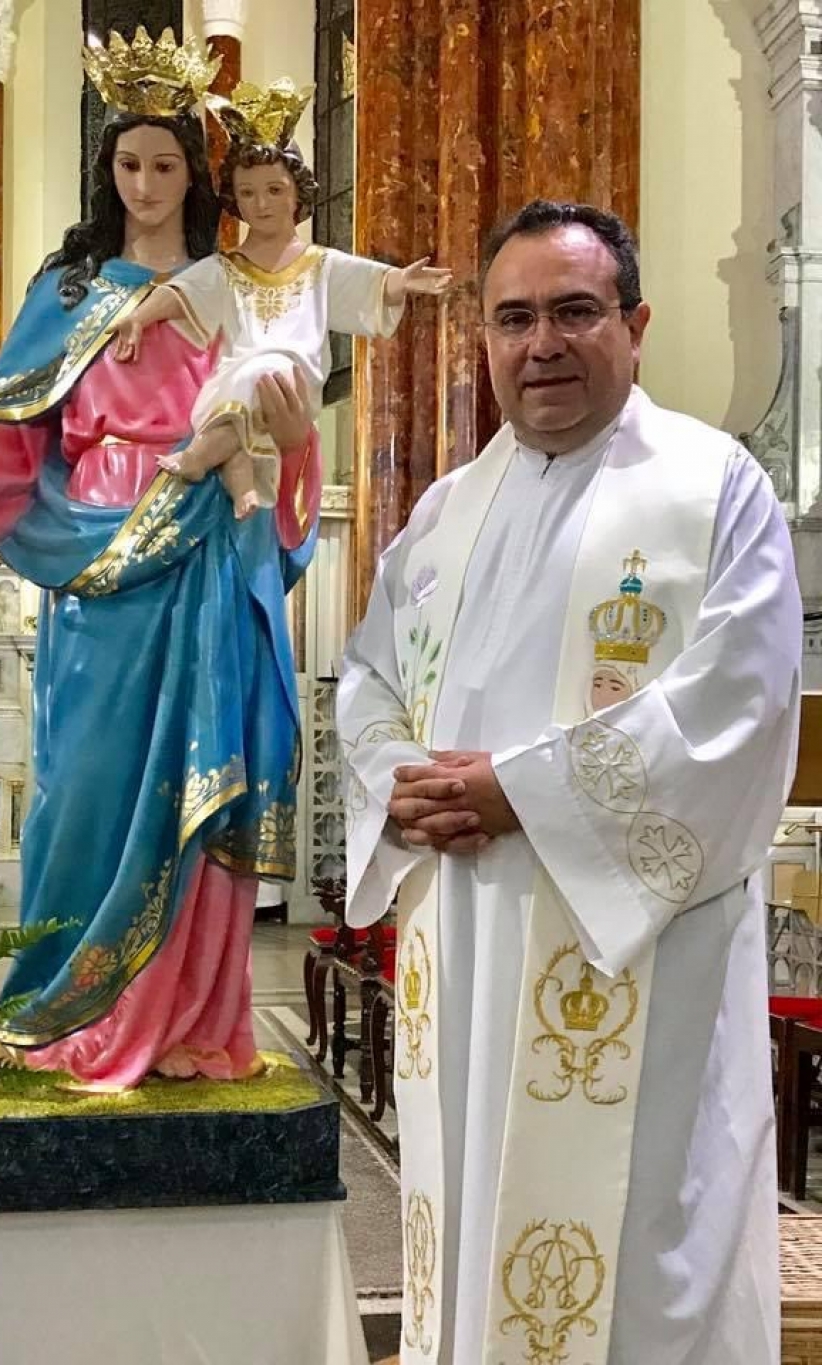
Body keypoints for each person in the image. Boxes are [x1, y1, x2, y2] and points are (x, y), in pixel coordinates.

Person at [339, 199, 801, 1365]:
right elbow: (369, 677)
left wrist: (523, 792)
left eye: (574, 311)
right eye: (513, 318)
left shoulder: (711, 490)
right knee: (469, 1214)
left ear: (634, 327)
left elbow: (735, 710)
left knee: (639, 1249)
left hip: (634, 960)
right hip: (463, 942)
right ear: (483, 340)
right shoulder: (445, 513)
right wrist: (399, 779)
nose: (541, 343)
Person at [0, 31, 321, 1088]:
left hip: (204, 554)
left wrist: (292, 437)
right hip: (93, 561)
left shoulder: (228, 287)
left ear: (195, 174)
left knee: (193, 778)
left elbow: (276, 414)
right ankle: (65, 999)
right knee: (80, 785)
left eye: (166, 164)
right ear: (107, 167)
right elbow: (4, 420)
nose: (147, 185)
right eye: (129, 163)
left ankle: (186, 1019)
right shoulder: (70, 290)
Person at [112, 78, 451, 518]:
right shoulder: (226, 268)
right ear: (235, 198)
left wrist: (400, 282)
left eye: (274, 190)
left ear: (297, 191)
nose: (261, 204)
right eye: (248, 192)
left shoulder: (319, 265)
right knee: (241, 414)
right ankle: (243, 492)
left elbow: (367, 283)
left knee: (265, 376)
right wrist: (138, 318)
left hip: (292, 378)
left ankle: (197, 458)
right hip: (238, 378)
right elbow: (180, 294)